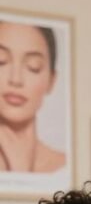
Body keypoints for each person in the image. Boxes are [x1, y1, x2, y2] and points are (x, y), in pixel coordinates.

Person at [0, 20, 66, 173]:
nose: (16, 79)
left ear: (51, 80)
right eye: (1, 61)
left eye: (33, 67)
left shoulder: (64, 167)